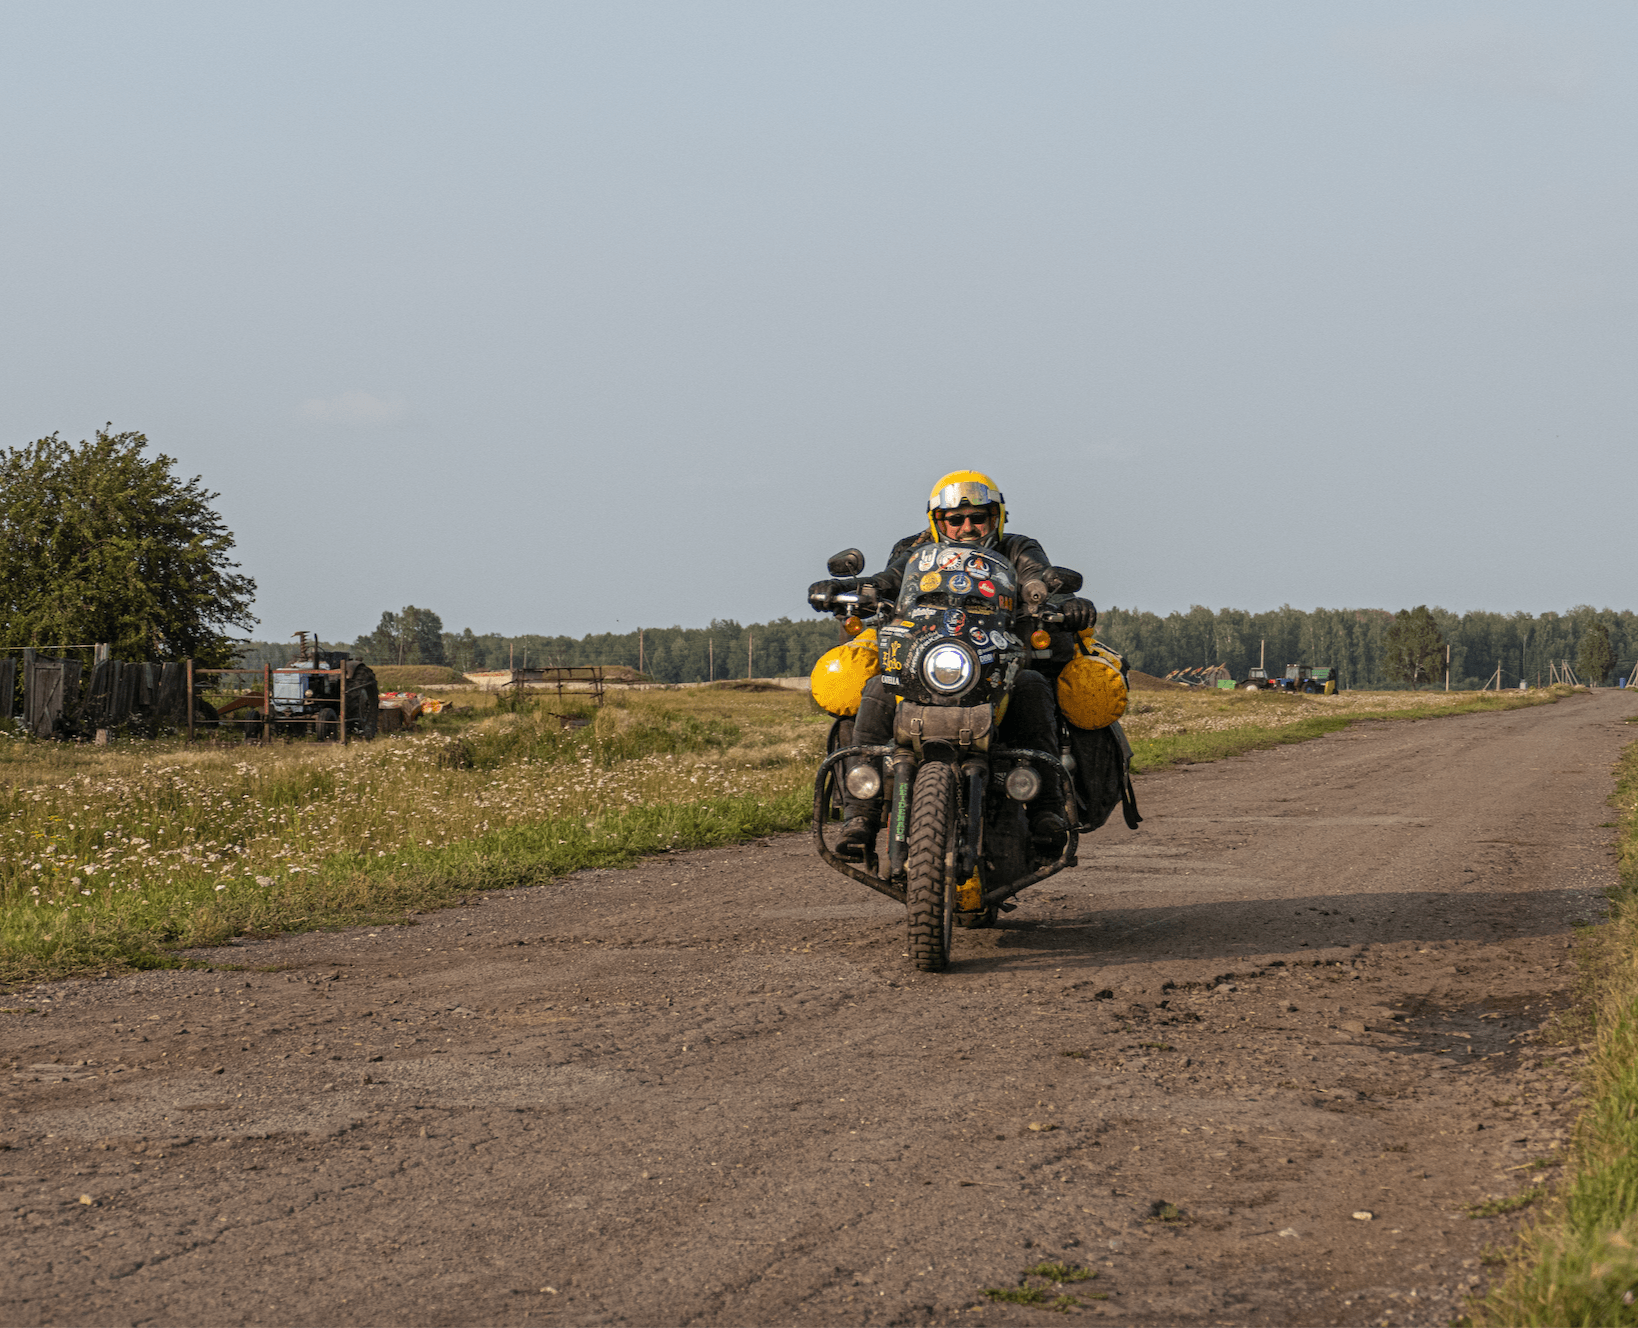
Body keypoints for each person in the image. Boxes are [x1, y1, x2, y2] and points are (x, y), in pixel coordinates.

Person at [816, 470, 1096, 859]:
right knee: (878, 686)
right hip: (924, 655)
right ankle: (860, 815)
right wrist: (849, 590)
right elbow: (888, 579)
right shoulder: (914, 549)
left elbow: (1036, 579)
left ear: (994, 518)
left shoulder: (1017, 547)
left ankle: (1046, 810)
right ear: (938, 520)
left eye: (978, 517)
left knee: (1032, 686)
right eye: (955, 519)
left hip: (994, 657)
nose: (967, 527)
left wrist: (1059, 600)